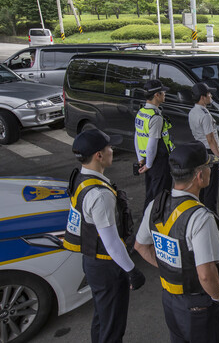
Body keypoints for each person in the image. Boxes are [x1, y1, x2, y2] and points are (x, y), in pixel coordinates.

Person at [134, 142, 219, 343]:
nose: (210, 171)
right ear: (200, 176)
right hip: (200, 305)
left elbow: (140, 246)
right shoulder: (200, 217)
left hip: (171, 300)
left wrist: (173, 270)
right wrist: (218, 299)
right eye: (208, 166)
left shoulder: (156, 205)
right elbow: (205, 274)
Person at [63, 129, 145, 343]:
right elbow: (111, 242)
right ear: (99, 155)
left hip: (91, 261)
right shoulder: (100, 195)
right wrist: (131, 270)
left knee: (102, 318)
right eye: (109, 148)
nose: (112, 150)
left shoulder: (81, 179)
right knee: (113, 327)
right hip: (107, 266)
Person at [135, 79, 175, 209]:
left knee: (151, 193)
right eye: (163, 92)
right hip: (158, 161)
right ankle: (156, 224)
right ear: (157, 95)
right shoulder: (155, 117)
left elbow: (137, 137)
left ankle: (148, 222)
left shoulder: (141, 113)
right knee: (161, 196)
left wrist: (141, 159)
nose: (165, 94)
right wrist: (149, 164)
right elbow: (153, 144)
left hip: (147, 159)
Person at [189, 82, 219, 214]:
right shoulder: (205, 115)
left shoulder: (192, 112)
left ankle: (201, 212)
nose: (211, 96)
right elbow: (211, 140)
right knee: (211, 188)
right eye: (209, 94)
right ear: (203, 97)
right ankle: (212, 216)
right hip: (209, 153)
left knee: (201, 187)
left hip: (199, 151)